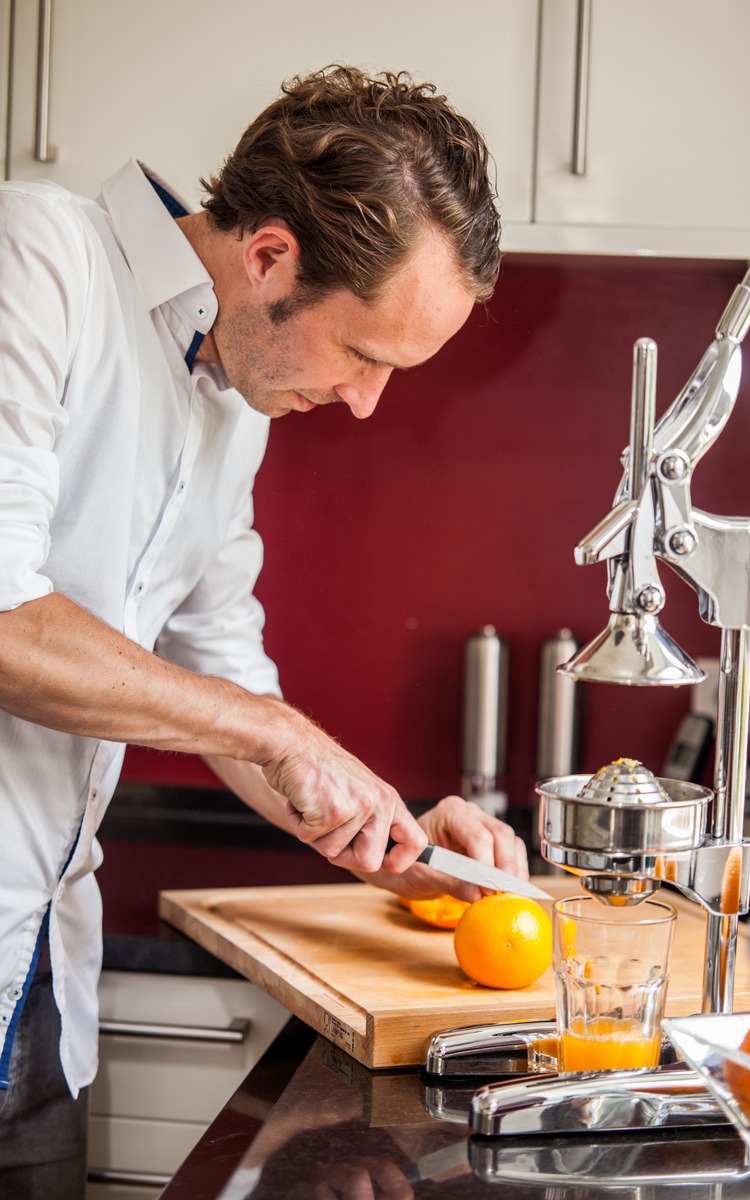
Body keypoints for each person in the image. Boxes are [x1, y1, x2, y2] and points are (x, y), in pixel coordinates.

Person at [0, 65, 528, 1196]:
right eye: (365, 357)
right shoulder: (37, 260)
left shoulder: (231, 403)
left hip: (39, 980)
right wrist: (279, 731)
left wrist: (385, 837)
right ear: (271, 256)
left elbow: (219, 670)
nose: (364, 403)